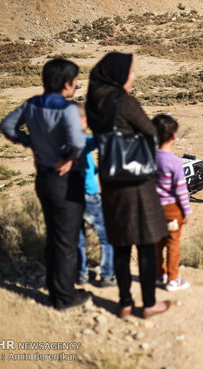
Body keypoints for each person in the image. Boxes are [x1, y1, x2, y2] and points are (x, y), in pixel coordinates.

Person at [0, 58, 90, 310]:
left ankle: (56, 287)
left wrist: (32, 144)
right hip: (65, 180)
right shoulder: (67, 109)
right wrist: (68, 159)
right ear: (66, 84)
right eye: (74, 81)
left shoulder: (31, 104)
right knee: (68, 239)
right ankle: (64, 297)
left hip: (44, 178)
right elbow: (78, 142)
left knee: (54, 235)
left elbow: (7, 126)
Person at [86, 52, 169, 319]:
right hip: (136, 180)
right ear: (119, 74)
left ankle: (123, 303)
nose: (134, 76)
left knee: (121, 245)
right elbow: (151, 132)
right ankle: (148, 304)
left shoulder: (94, 102)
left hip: (110, 180)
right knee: (145, 244)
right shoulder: (124, 102)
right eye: (131, 72)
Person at [73, 103, 116, 288]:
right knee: (106, 237)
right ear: (82, 121)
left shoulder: (61, 140)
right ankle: (107, 275)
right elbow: (99, 140)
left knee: (78, 238)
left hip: (70, 196)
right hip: (89, 195)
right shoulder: (81, 140)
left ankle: (81, 274)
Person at [152, 114, 192, 292]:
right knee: (173, 243)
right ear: (174, 136)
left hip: (152, 209)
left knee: (157, 244)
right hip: (171, 210)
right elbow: (181, 190)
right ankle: (173, 279)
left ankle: (159, 276)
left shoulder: (148, 157)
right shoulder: (174, 162)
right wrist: (187, 211)